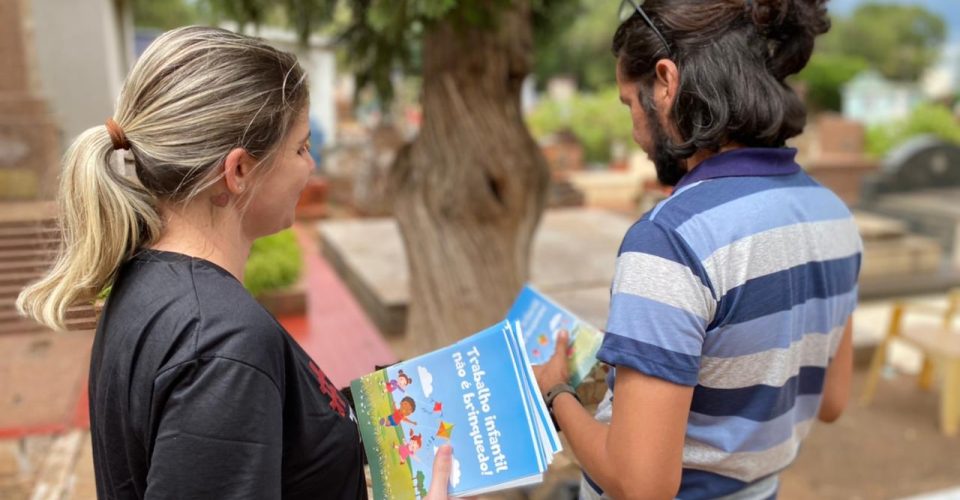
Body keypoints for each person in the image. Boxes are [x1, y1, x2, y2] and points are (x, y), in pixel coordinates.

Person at [16, 26, 453, 499]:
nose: (312, 166)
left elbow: (295, 429)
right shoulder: (223, 345)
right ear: (239, 170)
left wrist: (493, 386)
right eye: (301, 148)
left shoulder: (150, 281)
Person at [534, 1, 861, 498]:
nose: (635, 131)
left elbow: (639, 484)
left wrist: (557, 392)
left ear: (665, 83)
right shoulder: (834, 215)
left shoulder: (670, 239)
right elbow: (832, 400)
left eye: (629, 104)